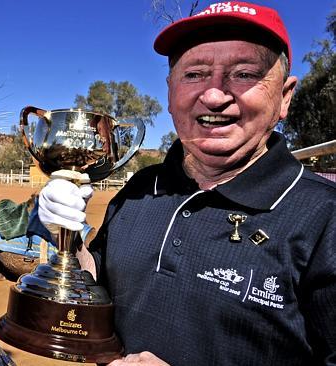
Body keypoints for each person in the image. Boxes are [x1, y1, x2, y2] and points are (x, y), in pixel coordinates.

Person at [36, 2, 336, 365]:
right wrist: (67, 236)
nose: (213, 95)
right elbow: (96, 282)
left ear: (284, 97)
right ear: (170, 92)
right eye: (194, 74)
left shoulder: (325, 219)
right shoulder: (142, 188)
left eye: (243, 73)